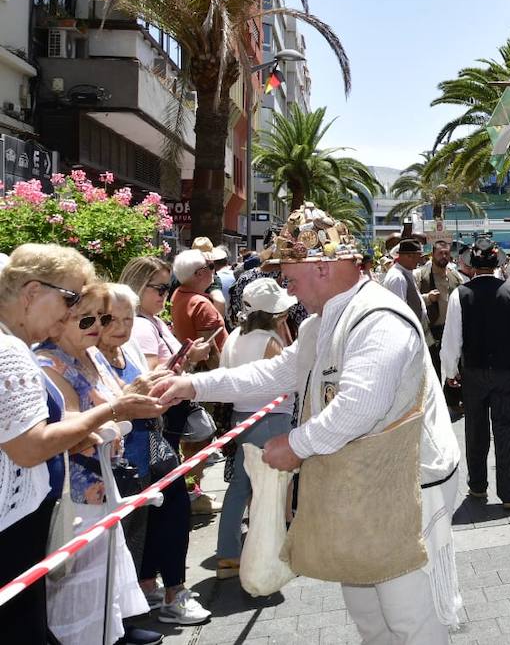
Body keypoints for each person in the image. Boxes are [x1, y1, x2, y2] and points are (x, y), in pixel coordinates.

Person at [153, 204, 463, 642]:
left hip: (409, 487)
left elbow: (361, 405)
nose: (284, 280)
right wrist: (192, 386)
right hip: (365, 485)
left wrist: (295, 445)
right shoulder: (325, 321)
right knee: (368, 610)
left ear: (322, 265)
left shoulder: (378, 317)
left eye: (289, 269)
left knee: (409, 615)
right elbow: (273, 374)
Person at [0, 246, 163, 644]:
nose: (70, 313)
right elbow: (29, 446)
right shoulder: (13, 351)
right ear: (33, 291)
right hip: (14, 521)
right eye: (71, 298)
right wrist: (111, 412)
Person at [36, 284, 164, 645]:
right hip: (76, 490)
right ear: (60, 320)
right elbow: (72, 429)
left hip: (102, 483)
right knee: (76, 583)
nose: (98, 326)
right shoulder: (48, 362)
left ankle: (112, 633)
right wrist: (120, 411)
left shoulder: (91, 355)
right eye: (86, 318)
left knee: (102, 576)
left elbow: (112, 405)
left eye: (103, 318)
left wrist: (137, 398)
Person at [118, 260, 205, 629]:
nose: (165, 295)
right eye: (159, 288)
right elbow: (150, 381)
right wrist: (179, 367)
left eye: (167, 287)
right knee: (166, 514)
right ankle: (169, 591)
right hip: (146, 434)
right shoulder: (140, 326)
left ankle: (157, 587)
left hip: (155, 432)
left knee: (161, 515)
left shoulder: (151, 322)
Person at [440, 236, 510, 510]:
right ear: (497, 263)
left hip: (473, 372)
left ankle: (478, 486)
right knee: (505, 431)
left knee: (476, 431)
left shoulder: (461, 295)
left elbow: (451, 340)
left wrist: (450, 371)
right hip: (505, 371)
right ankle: (509, 494)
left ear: (471, 266)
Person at [215, 279, 297, 579]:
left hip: (242, 418)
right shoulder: (270, 342)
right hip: (271, 417)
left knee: (241, 486)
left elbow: (223, 376)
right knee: (274, 488)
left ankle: (228, 553)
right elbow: (289, 379)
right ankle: (272, 552)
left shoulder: (234, 337)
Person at [170, 249, 228, 514]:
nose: (213, 270)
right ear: (200, 273)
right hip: (205, 381)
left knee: (192, 441)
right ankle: (194, 494)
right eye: (209, 266)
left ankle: (192, 492)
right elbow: (210, 349)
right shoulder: (200, 304)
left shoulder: (179, 296)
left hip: (192, 379)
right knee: (200, 441)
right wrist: (225, 380)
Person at [416, 239, 465, 373]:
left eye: (446, 253)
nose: (444, 256)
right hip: (431, 334)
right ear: (433, 254)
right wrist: (427, 298)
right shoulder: (420, 275)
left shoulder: (455, 276)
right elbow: (412, 301)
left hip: (452, 332)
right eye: (440, 253)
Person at [383, 238, 428, 325]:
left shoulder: (406, 273)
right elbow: (399, 313)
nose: (419, 260)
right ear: (409, 256)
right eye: (418, 256)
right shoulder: (398, 278)